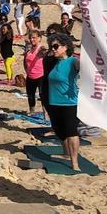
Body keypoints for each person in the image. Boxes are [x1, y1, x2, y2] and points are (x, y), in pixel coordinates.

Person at [44, 34, 82, 171]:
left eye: (56, 46)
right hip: (54, 103)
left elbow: (81, 66)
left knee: (71, 132)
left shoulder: (72, 61)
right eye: (51, 47)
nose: (53, 49)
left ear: (65, 47)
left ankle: (75, 163)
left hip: (69, 103)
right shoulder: (54, 63)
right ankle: (66, 154)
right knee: (60, 132)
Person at [22, 30, 46, 114]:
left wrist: (43, 52)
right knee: (30, 95)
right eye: (30, 38)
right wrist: (27, 71)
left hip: (41, 76)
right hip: (30, 76)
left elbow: (45, 54)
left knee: (43, 96)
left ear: (39, 38)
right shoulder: (29, 49)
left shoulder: (41, 49)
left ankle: (45, 113)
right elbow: (25, 61)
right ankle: (32, 111)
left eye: (34, 38)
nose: (32, 40)